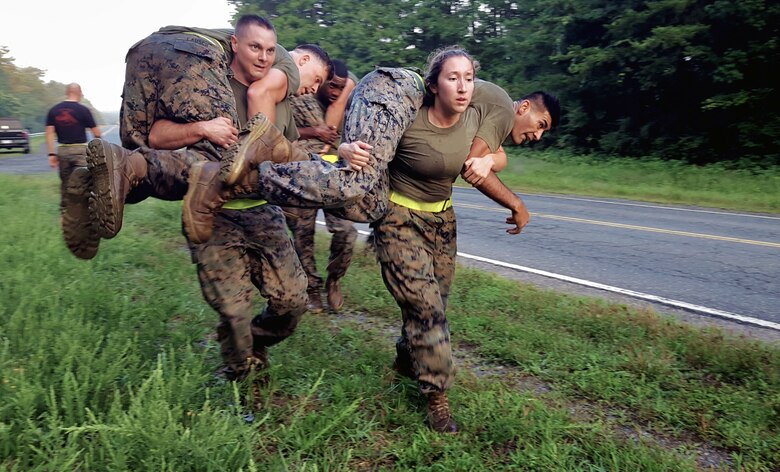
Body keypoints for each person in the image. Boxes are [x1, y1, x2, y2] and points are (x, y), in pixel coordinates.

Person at [284, 59, 359, 312]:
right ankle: (312, 288)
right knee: (302, 235)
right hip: (303, 172)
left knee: (347, 232)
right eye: (332, 86)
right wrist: (314, 131)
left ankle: (334, 281)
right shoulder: (300, 96)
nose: (336, 92)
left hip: (334, 176)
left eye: (341, 87)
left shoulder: (346, 104)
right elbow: (280, 129)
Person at [45, 82, 102, 259]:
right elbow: (97, 133)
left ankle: (64, 219)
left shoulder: (54, 110)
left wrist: (51, 153)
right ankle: (88, 219)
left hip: (63, 151)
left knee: (66, 186)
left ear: (67, 93)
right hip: (80, 151)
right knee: (86, 186)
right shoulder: (84, 111)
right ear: (79, 93)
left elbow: (49, 133)